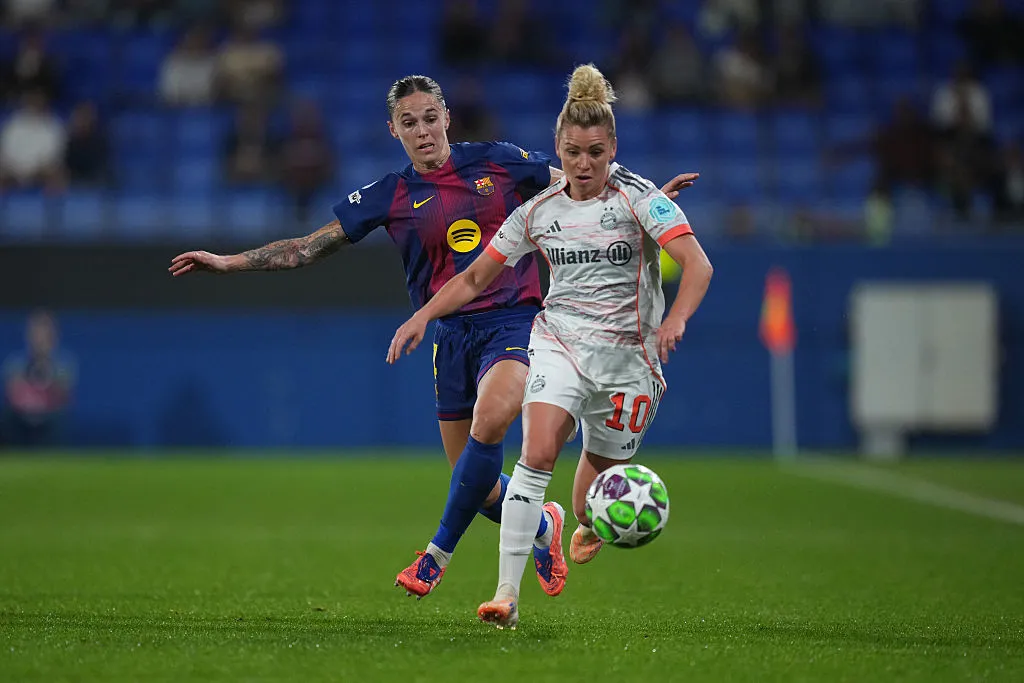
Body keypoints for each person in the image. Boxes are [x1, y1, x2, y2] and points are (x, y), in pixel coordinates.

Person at [168, 74, 697, 600]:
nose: (422, 131)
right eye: (408, 122)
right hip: (450, 331)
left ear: (446, 117)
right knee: (480, 486)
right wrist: (229, 262)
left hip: (516, 322)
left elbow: (581, 175)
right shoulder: (391, 194)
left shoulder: (498, 161)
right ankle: (544, 524)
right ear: (393, 130)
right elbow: (308, 247)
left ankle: (436, 554)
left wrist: (647, 204)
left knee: (491, 423)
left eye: (428, 118)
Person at [387, 64, 713, 629]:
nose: (582, 166)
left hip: (629, 362)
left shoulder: (640, 200)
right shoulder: (538, 210)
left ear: (613, 149)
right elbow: (471, 280)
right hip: (559, 344)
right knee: (535, 456)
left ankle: (580, 520)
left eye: (594, 153)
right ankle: (505, 596)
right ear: (556, 151)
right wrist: (421, 316)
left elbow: (697, 264)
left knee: (589, 501)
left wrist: (676, 319)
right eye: (571, 153)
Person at [2, 310, 75, 448]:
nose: (40, 338)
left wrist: (46, 364)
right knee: (7, 418)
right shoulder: (16, 362)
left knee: (58, 419)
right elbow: (12, 395)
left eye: (44, 333)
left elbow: (63, 396)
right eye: (36, 333)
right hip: (21, 418)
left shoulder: (63, 363)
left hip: (49, 418)